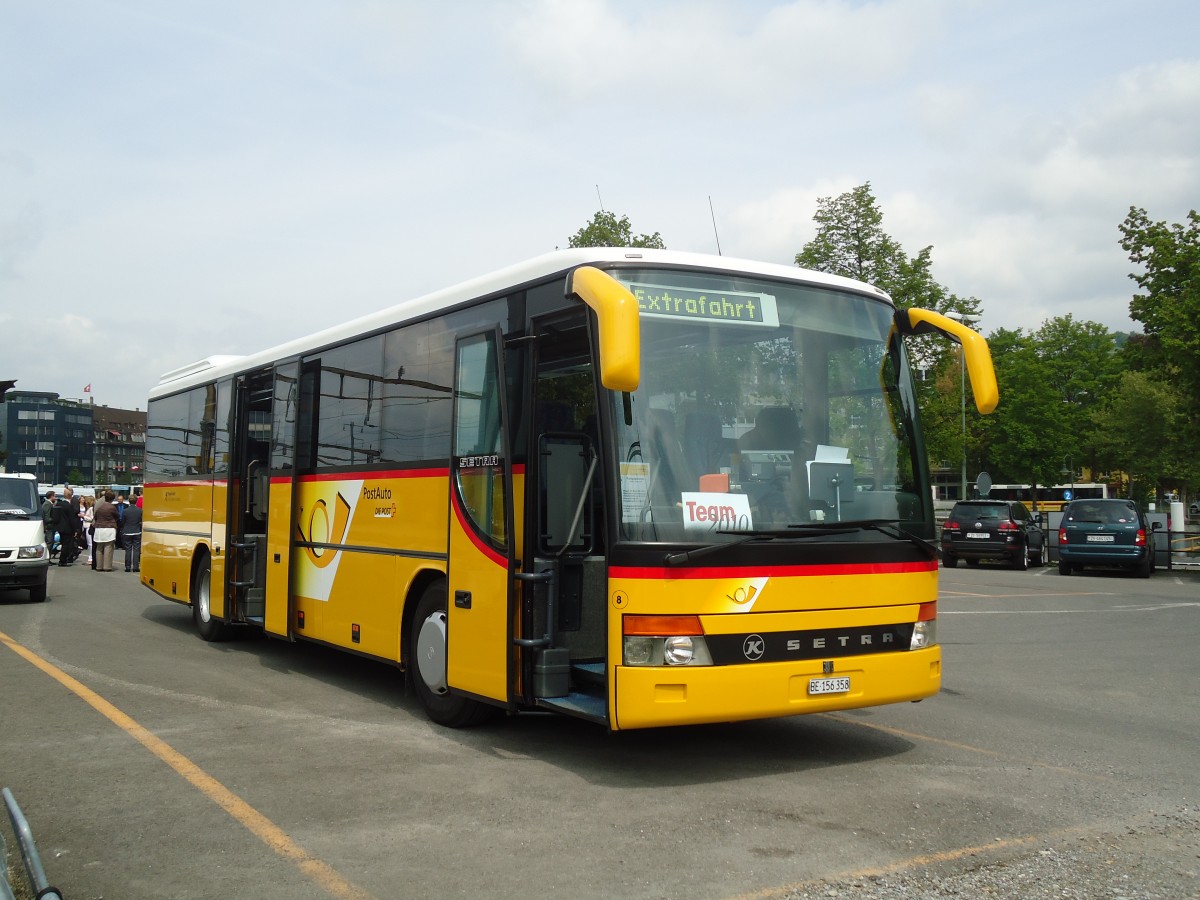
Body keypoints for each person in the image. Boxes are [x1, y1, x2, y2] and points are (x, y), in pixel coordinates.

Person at [92, 490, 120, 572]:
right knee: (108, 547)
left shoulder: (100, 507)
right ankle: (107, 566)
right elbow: (117, 516)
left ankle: (99, 566)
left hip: (99, 528)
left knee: (99, 548)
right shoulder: (112, 507)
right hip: (109, 528)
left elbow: (95, 517)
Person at [53, 493, 77, 566]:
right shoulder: (69, 506)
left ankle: (62, 559)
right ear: (70, 497)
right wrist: (75, 529)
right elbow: (72, 519)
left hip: (59, 527)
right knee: (66, 545)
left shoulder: (58, 504)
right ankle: (63, 560)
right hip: (67, 528)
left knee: (63, 543)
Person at [122, 498, 142, 572]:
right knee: (136, 550)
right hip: (137, 531)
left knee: (128, 550)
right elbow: (141, 520)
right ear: (136, 501)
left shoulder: (125, 511)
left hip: (127, 531)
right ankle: (135, 566)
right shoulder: (139, 510)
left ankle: (128, 567)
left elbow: (123, 521)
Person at [80, 496, 95, 565]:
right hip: (87, 526)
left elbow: (92, 518)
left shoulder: (91, 509)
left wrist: (83, 516)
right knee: (89, 543)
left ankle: (90, 558)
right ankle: (90, 557)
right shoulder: (89, 508)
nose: (85, 502)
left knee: (90, 543)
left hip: (89, 526)